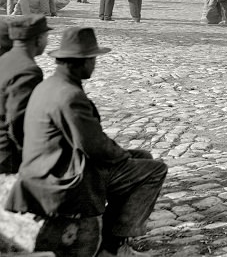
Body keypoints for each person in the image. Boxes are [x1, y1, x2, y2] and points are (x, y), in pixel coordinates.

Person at [5, 26, 168, 257]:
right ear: (81, 62)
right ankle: (112, 245)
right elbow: (95, 146)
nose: (94, 65)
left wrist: (128, 156)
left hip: (54, 163)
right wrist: (124, 156)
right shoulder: (69, 96)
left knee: (142, 158)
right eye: (92, 60)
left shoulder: (50, 85)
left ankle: (114, 235)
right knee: (154, 170)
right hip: (63, 175)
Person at [0, 16, 49, 174]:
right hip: (7, 155)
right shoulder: (28, 69)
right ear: (38, 39)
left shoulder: (5, 59)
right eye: (46, 37)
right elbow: (17, 120)